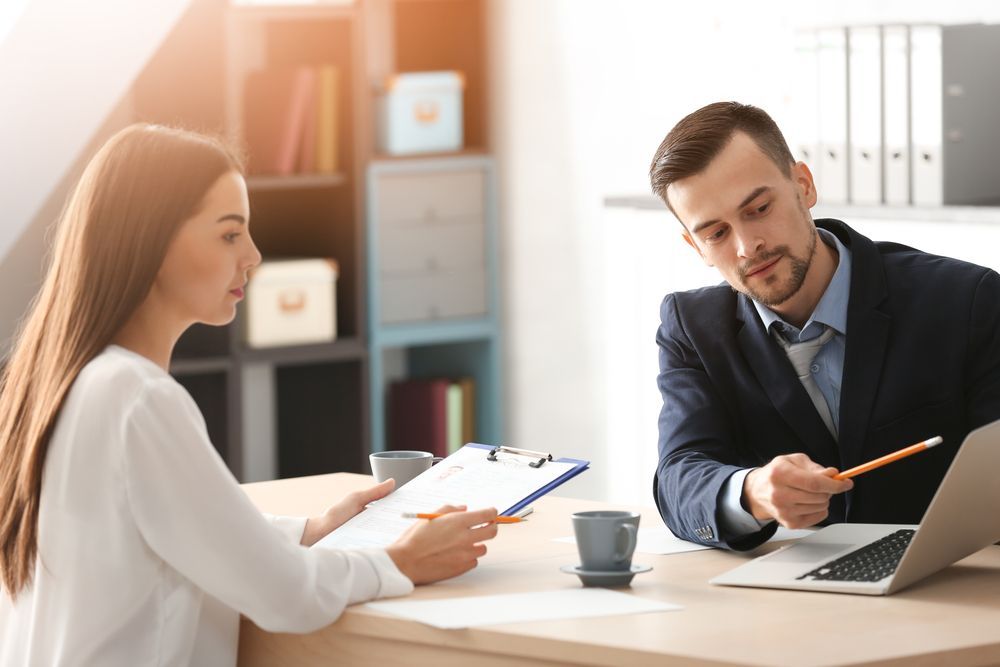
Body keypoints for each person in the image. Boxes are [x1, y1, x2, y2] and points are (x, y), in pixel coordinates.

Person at [0, 124, 499, 665]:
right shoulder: (137, 398)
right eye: (230, 234)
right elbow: (286, 597)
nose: (254, 256)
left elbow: (176, 528)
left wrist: (312, 530)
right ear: (153, 241)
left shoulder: (67, 382)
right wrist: (402, 563)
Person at [648, 101, 1000, 551]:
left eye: (758, 208)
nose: (746, 246)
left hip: (954, 584)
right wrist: (753, 491)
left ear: (804, 185)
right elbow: (680, 476)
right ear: (695, 245)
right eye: (716, 233)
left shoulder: (965, 299)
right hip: (796, 602)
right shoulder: (691, 328)